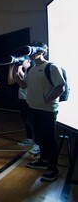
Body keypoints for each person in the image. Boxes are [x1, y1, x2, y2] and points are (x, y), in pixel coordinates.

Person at [17, 42, 65, 182]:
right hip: (34, 108)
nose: (29, 53)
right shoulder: (31, 69)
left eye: (32, 50)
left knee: (49, 139)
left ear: (41, 52)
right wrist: (16, 73)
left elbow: (60, 87)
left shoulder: (51, 67)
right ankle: (43, 161)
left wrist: (46, 100)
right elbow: (24, 85)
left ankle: (53, 167)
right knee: (39, 138)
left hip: (47, 110)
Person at [8, 58, 40, 155]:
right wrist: (11, 68)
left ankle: (36, 142)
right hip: (22, 98)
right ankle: (29, 139)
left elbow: (26, 83)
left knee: (32, 121)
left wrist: (21, 69)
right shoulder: (24, 70)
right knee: (26, 120)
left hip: (29, 99)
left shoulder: (32, 70)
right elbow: (10, 82)